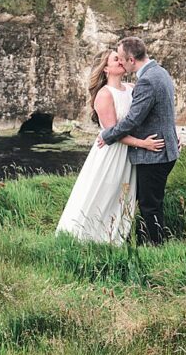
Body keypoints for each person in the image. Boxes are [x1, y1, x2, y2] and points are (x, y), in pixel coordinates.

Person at [55, 49, 165, 245]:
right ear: (106, 68)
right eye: (116, 59)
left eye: (121, 58)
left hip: (129, 155)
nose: (121, 61)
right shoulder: (104, 95)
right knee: (104, 194)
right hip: (112, 153)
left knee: (123, 197)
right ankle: (86, 238)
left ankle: (116, 237)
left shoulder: (132, 87)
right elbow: (113, 133)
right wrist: (143, 144)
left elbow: (146, 118)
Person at [95, 36, 180, 244]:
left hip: (154, 153)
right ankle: (147, 242)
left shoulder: (147, 81)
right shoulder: (160, 72)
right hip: (163, 149)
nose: (121, 63)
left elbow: (133, 119)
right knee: (151, 201)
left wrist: (107, 135)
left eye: (122, 59)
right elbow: (164, 112)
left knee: (149, 204)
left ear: (132, 60)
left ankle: (153, 246)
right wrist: (172, 135)